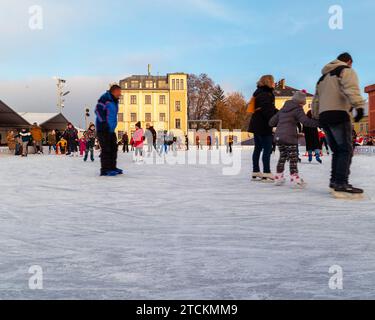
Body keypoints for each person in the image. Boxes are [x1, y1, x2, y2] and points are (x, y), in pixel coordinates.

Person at [312, 52, 366, 196]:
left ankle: (334, 181)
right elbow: (351, 88)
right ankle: (341, 183)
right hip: (339, 114)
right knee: (345, 150)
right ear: (349, 61)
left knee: (337, 150)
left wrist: (317, 116)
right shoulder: (345, 70)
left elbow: (316, 100)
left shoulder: (322, 78)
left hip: (324, 117)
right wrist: (359, 106)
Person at [269, 91, 319, 187]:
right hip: (289, 138)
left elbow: (271, 122)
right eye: (303, 104)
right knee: (293, 158)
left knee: (282, 156)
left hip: (279, 137)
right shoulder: (297, 109)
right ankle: (295, 178)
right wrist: (319, 123)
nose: (303, 106)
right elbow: (306, 121)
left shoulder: (283, 109)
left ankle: (278, 177)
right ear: (300, 102)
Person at [248, 75, 277, 181]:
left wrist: (278, 112)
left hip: (256, 124)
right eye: (273, 81)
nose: (274, 83)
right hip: (263, 124)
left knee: (258, 148)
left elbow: (268, 108)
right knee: (267, 148)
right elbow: (267, 110)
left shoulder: (259, 92)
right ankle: (267, 171)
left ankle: (256, 170)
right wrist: (274, 120)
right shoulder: (266, 94)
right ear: (268, 82)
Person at [95, 85, 122, 176]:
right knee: (106, 149)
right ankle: (105, 170)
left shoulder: (115, 101)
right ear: (114, 91)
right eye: (119, 92)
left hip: (110, 130)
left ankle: (112, 167)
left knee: (114, 148)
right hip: (103, 129)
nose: (120, 94)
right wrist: (103, 123)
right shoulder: (105, 98)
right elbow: (98, 111)